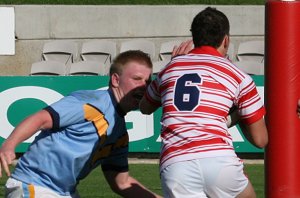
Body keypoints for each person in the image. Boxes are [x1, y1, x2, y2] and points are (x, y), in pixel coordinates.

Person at [140, 7, 268, 198]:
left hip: (175, 163)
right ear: (226, 40)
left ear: (194, 38)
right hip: (219, 159)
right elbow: (261, 140)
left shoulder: (169, 69)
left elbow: (144, 107)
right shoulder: (238, 77)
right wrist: (236, 115)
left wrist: (173, 64)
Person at [0, 50, 161, 198]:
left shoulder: (119, 133)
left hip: (63, 192)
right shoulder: (92, 102)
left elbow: (122, 183)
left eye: (147, 82)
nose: (143, 87)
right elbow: (41, 119)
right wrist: (9, 145)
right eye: (137, 79)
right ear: (115, 80)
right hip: (35, 184)